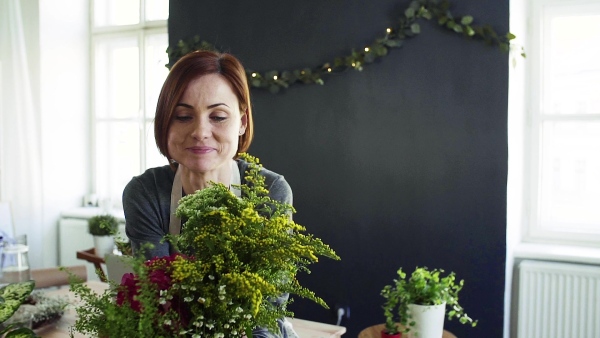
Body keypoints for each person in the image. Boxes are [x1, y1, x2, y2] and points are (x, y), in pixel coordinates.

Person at [122, 50, 296, 338]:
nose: (200, 131)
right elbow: (158, 300)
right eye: (183, 116)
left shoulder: (269, 192)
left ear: (241, 122)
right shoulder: (147, 193)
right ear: (165, 121)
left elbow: (267, 309)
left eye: (217, 116)